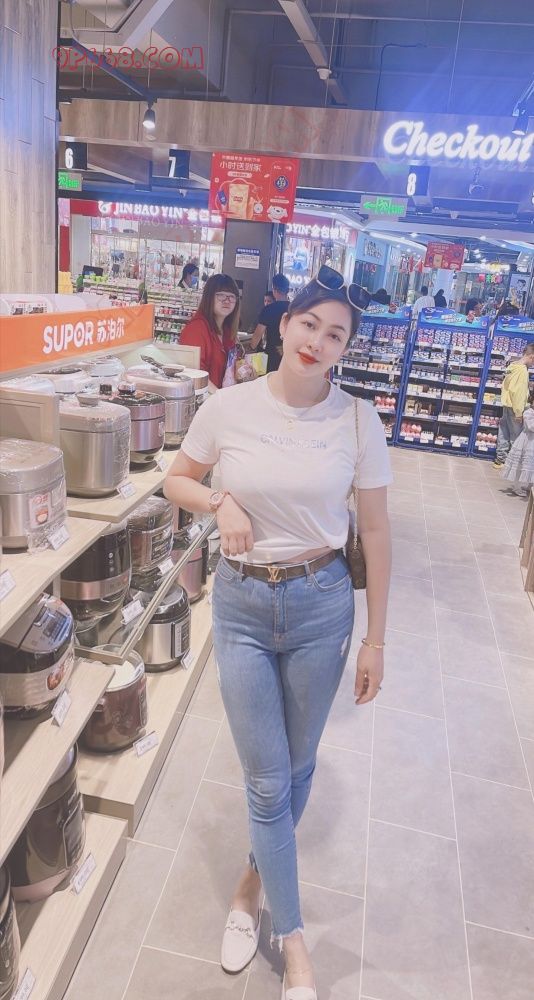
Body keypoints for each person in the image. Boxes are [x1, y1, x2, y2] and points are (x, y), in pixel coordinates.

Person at [164, 265, 392, 1000]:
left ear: (346, 349)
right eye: (309, 324)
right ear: (285, 322)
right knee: (268, 783)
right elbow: (176, 479)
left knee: (297, 768)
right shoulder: (229, 405)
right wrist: (220, 502)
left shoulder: (358, 420)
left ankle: (251, 882)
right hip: (242, 607)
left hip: (323, 604)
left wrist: (376, 639)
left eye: (337, 335)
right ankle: (294, 946)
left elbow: (377, 531)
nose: (318, 342)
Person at [179, 273, 240, 391]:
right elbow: (194, 374)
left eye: (231, 296)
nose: (227, 301)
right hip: (204, 399)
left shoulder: (227, 331)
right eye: (221, 295)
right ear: (209, 297)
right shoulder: (196, 329)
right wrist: (220, 397)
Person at [494, 342, 534, 468]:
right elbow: (518, 393)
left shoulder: (512, 366)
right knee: (517, 436)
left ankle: (500, 460)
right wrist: (518, 412)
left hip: (507, 405)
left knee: (503, 432)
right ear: (532, 356)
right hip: (516, 408)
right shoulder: (522, 371)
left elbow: (509, 386)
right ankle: (513, 463)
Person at [249, 273, 290, 372]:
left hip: (270, 357)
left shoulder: (268, 309)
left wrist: (250, 348)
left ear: (274, 290)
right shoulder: (295, 309)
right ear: (288, 290)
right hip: (288, 357)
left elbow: (257, 336)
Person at [502, 387, 534, 496]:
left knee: (531, 464)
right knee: (520, 465)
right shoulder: (528, 413)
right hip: (527, 441)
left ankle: (530, 485)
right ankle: (517, 487)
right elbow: (531, 427)